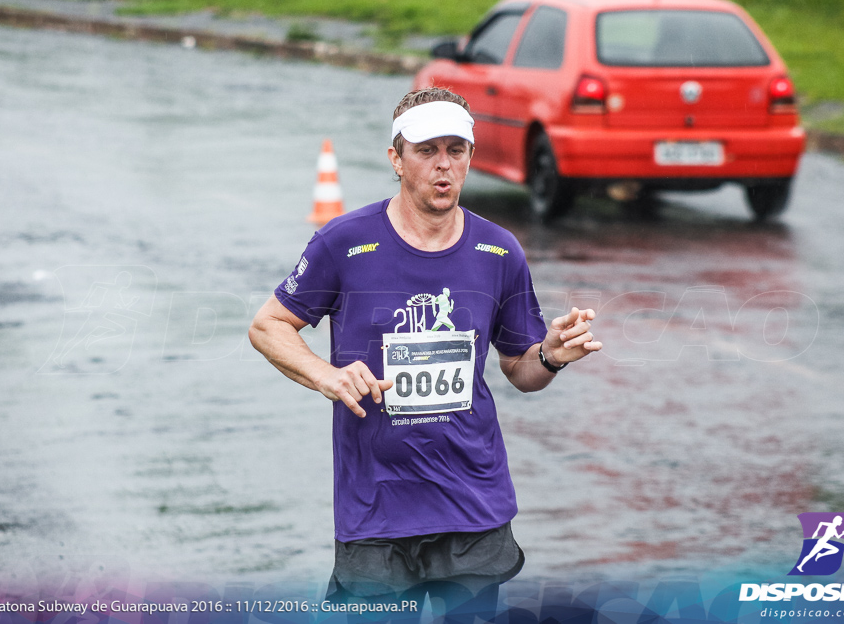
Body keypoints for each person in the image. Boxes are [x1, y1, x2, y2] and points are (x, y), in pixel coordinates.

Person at [249, 88, 602, 622]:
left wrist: (549, 356)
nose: (444, 166)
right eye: (427, 150)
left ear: (470, 157)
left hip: (472, 502)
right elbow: (268, 324)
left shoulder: (498, 250)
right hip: (376, 509)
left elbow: (520, 371)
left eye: (456, 150)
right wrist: (326, 375)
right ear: (396, 159)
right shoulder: (344, 243)